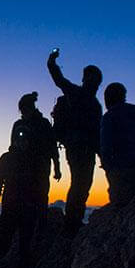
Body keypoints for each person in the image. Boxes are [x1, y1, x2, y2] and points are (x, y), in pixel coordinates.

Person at [47, 49, 102, 234]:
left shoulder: (91, 102)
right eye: (92, 79)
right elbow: (59, 80)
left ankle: (73, 221)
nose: (93, 83)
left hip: (81, 147)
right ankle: (72, 223)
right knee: (81, 183)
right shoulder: (79, 95)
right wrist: (52, 62)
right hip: (79, 147)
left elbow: (96, 131)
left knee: (82, 184)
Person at [0, 129, 44, 268]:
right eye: (19, 140)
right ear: (15, 142)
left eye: (24, 140)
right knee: (5, 243)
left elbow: (40, 185)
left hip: (25, 208)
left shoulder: (31, 159)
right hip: (13, 208)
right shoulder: (10, 159)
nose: (22, 143)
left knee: (23, 245)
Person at [9, 92, 61, 220]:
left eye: (24, 109)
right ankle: (33, 224)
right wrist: (56, 167)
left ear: (30, 108)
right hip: (34, 167)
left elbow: (52, 147)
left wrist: (57, 168)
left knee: (39, 196)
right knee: (37, 196)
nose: (22, 112)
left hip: (37, 167)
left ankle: (38, 225)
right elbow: (12, 148)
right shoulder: (42, 124)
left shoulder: (39, 124)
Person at [99, 82, 135, 207]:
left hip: (119, 170)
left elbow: (105, 145)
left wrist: (108, 166)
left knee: (119, 204)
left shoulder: (110, 117)